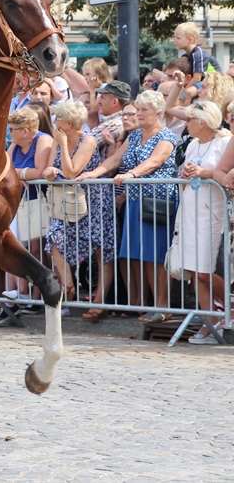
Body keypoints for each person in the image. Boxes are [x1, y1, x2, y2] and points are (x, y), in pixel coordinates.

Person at [78, 90, 178, 322]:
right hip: (135, 202)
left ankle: (162, 306)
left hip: (157, 203)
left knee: (155, 255)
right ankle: (145, 305)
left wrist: (132, 174)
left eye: (144, 110)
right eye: (138, 109)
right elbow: (115, 160)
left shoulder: (166, 136)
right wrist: (92, 173)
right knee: (138, 254)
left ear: (158, 113)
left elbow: (155, 161)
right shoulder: (134, 136)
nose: (139, 114)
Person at [40, 100, 115, 321]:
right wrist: (49, 172)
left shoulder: (88, 140)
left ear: (70, 123)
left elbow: (71, 171)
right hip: (68, 201)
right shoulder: (58, 137)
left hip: (94, 200)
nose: (55, 123)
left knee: (103, 247)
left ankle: (100, 300)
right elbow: (51, 167)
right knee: (55, 235)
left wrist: (63, 146)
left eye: (58, 119)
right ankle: (67, 284)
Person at [168, 101, 231, 343]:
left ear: (202, 122)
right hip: (189, 210)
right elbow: (186, 175)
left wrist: (205, 173)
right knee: (193, 271)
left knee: (204, 271)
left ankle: (228, 308)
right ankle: (210, 321)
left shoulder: (224, 142)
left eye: (189, 120)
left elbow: (222, 175)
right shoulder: (193, 144)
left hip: (211, 212)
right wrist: (185, 175)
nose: (186, 125)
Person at [5, 106, 53, 316]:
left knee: (36, 250)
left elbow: (40, 171)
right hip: (20, 203)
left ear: (25, 131)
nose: (9, 133)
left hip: (39, 201)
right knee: (21, 248)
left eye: (13, 129)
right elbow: (2, 169)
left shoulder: (42, 140)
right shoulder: (15, 146)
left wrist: (18, 174)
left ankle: (37, 296)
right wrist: (23, 175)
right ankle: (23, 292)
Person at [88, 81, 130, 157]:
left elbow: (82, 143)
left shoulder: (114, 124)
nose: (99, 102)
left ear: (114, 102)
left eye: (102, 98)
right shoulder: (117, 121)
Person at [173, 21, 220, 87]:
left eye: (178, 38)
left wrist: (185, 90)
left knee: (188, 93)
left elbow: (197, 78)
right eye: (174, 37)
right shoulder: (186, 56)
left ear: (190, 40)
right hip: (204, 82)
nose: (174, 40)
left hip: (214, 82)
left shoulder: (198, 54)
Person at [81, 57, 111, 128]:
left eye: (88, 74)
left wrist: (92, 90)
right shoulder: (100, 88)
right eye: (84, 75)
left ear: (100, 74)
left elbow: (94, 108)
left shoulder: (104, 87)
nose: (85, 78)